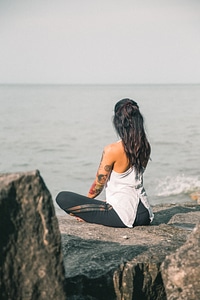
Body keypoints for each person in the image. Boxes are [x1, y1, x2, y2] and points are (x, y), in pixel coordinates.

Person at [56, 98, 154, 228]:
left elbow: (98, 185)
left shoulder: (112, 149)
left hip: (124, 215)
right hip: (146, 214)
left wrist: (86, 208)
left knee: (62, 197)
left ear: (117, 122)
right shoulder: (145, 146)